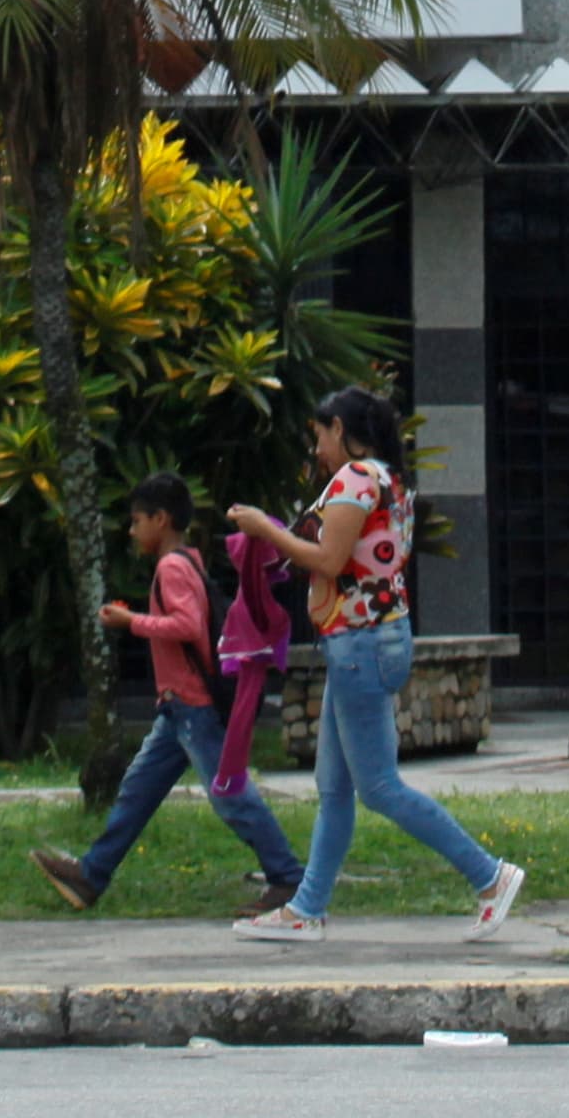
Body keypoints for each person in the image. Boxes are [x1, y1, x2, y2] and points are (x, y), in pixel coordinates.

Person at [225, 389, 525, 943]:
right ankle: (306, 909)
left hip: (360, 644)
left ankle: (490, 875)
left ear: (338, 428)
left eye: (319, 435)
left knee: (379, 787)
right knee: (334, 787)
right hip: (371, 639)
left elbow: (327, 559)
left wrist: (265, 530)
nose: (316, 449)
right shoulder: (388, 477)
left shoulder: (356, 478)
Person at [29, 473, 304, 912]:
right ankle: (90, 876)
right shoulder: (189, 561)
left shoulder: (171, 567)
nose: (134, 530)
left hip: (192, 707)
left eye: (138, 521)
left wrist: (130, 622)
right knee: (136, 792)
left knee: (231, 795)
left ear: (161, 520)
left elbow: (187, 625)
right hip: (177, 709)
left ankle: (289, 879)